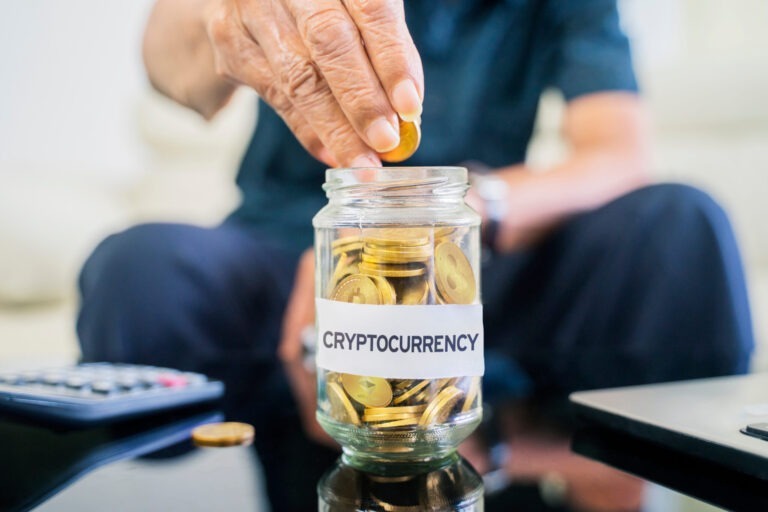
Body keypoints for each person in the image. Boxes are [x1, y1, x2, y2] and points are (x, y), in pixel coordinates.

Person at [78, 0, 754, 510]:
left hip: (482, 256)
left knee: (681, 224)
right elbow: (169, 64)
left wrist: (466, 212)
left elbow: (617, 154)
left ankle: (485, 379)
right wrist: (229, 17)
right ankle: (325, 378)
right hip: (284, 254)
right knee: (138, 272)